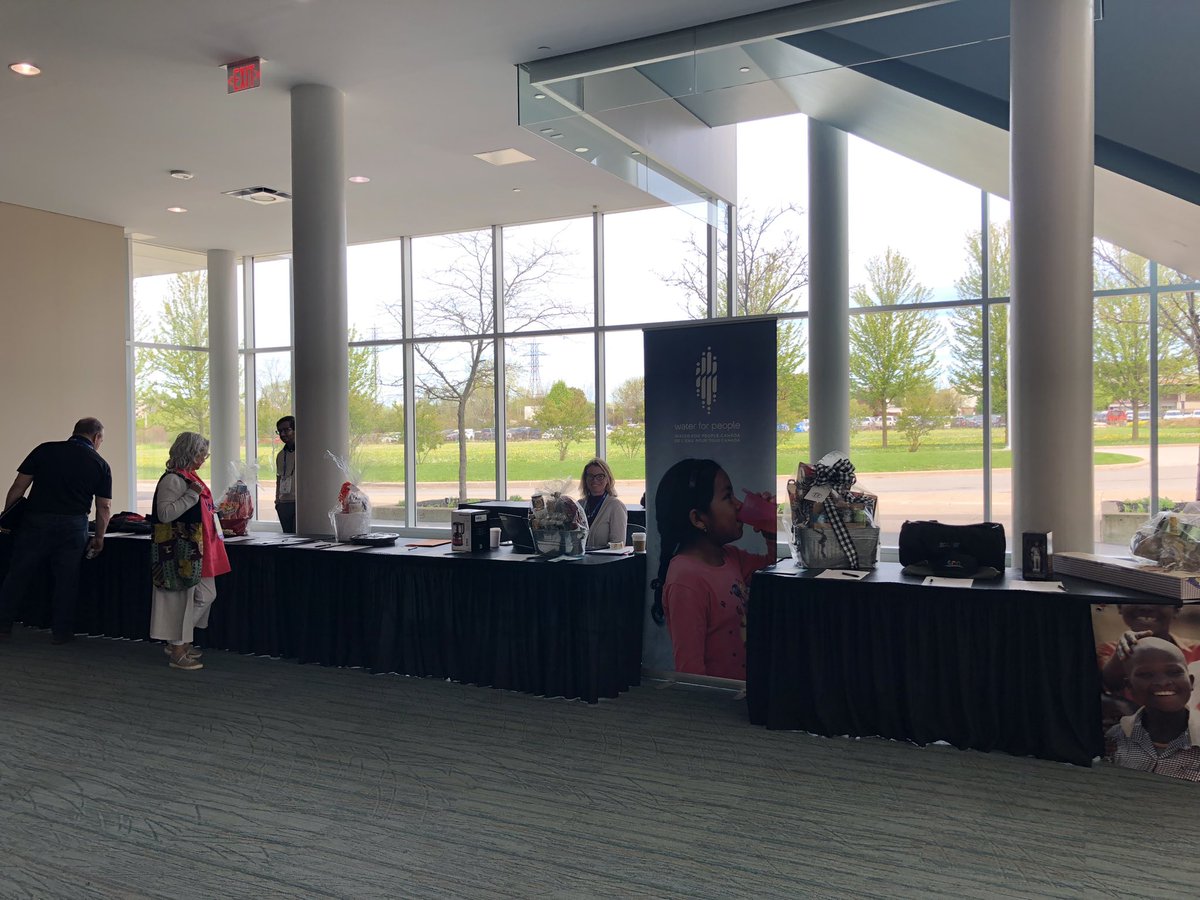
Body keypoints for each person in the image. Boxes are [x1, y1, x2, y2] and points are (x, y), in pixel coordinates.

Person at [650, 458, 776, 680]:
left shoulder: (731, 557)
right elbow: (690, 671)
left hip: (744, 696)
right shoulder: (686, 580)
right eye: (728, 497)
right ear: (698, 518)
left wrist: (770, 531)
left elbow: (774, 575)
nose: (739, 505)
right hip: (718, 705)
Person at [0, 417, 112, 644]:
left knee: (18, 574)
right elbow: (104, 507)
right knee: (66, 580)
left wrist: (6, 518)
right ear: (96, 437)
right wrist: (99, 537)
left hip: (36, 522)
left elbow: (18, 487)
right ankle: (61, 632)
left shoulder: (45, 450)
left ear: (75, 432)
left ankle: (3, 625)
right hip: (73, 527)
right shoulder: (99, 464)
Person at [149, 432, 230, 671]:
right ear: (189, 453)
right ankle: (177, 648)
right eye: (201, 454)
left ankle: (178, 641)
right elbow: (165, 514)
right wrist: (193, 495)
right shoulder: (173, 480)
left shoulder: (190, 477)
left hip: (200, 548)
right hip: (181, 551)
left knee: (206, 595)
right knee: (182, 601)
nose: (204, 458)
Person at [1104, 637, 1200, 781]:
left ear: (1191, 681)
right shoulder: (1115, 739)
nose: (1162, 683)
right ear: (1129, 687)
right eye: (1146, 675)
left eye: (1174, 672)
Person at [1098, 603, 1200, 695]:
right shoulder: (1107, 651)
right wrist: (1121, 654)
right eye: (1134, 598)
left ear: (1176, 609)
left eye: (1158, 600)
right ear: (1119, 606)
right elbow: (1108, 684)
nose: (1146, 607)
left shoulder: (1197, 650)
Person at [579, 457, 628, 550]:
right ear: (585, 479)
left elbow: (617, 545)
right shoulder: (579, 505)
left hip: (604, 562)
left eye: (600, 476)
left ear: (608, 479)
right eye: (590, 476)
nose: (595, 480)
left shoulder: (616, 506)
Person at [275, 415, 296, 533]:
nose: (282, 434)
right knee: (287, 538)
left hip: (298, 503)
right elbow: (278, 478)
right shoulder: (280, 455)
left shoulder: (305, 452)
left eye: (286, 430)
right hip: (283, 503)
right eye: (280, 431)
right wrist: (277, 501)